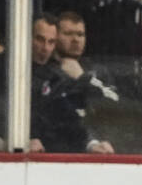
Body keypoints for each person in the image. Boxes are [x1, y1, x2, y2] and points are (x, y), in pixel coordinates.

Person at [29, 14, 114, 154]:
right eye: (68, 34)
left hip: (99, 146)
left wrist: (83, 78)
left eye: (80, 34)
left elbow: (116, 105)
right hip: (54, 151)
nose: (75, 40)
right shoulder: (44, 71)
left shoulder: (98, 70)